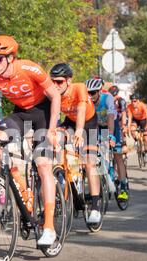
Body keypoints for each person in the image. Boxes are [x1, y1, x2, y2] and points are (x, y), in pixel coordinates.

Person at [0, 35, 61, 246]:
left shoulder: (29, 68)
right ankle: (20, 187)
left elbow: (55, 96)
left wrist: (53, 129)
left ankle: (49, 226)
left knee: (43, 166)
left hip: (43, 112)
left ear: (11, 58)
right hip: (20, 113)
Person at [50, 63, 101, 222]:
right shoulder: (53, 92)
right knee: (57, 139)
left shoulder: (79, 88)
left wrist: (79, 131)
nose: (55, 85)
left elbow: (81, 110)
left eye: (59, 82)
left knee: (89, 163)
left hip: (88, 122)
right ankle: (64, 174)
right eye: (53, 81)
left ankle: (95, 206)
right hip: (70, 122)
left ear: (68, 81)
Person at [108, 84, 130, 201]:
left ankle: (123, 186)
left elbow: (125, 114)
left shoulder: (121, 101)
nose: (114, 97)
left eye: (115, 95)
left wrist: (125, 126)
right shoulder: (105, 100)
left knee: (118, 157)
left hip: (117, 125)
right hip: (105, 126)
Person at [126, 93, 147, 163]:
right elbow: (130, 118)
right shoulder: (129, 107)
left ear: (138, 101)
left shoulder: (143, 106)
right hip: (135, 120)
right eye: (132, 101)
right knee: (132, 129)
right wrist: (128, 128)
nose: (133, 103)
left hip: (144, 120)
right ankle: (136, 141)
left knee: (146, 137)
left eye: (134, 101)